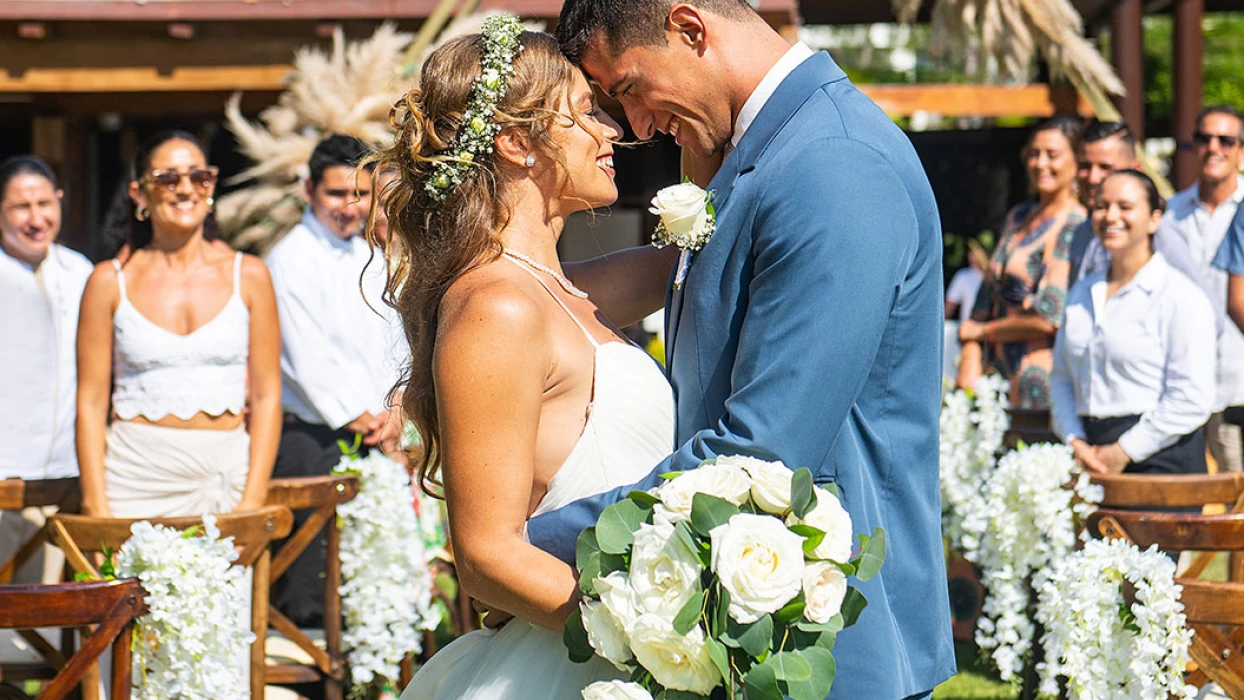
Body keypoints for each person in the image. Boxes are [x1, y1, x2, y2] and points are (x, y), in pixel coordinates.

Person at [527, 1, 954, 697]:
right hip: (758, 632)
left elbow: (763, 452)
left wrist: (523, 543)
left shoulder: (831, 166)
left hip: (834, 647)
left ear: (691, 28)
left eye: (631, 88)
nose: (636, 126)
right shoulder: (769, 152)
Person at [377, 18, 675, 698]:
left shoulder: (566, 292)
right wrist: (656, 640)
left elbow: (694, 263)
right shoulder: (496, 309)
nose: (612, 132)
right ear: (515, 143)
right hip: (580, 661)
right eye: (584, 115)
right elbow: (485, 556)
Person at [76, 130, 282, 518]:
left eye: (199, 177)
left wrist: (253, 498)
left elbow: (269, 395)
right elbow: (90, 401)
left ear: (211, 188)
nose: (185, 189)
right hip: (134, 478)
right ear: (139, 194)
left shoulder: (250, 275)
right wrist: (96, 503)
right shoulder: (107, 282)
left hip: (226, 479)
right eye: (168, 178)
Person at [263, 135, 408, 626]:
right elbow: (304, 357)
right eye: (336, 195)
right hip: (318, 439)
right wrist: (365, 416)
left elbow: (394, 342)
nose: (350, 207)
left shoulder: (370, 256)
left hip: (382, 435)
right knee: (311, 581)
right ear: (309, 190)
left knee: (373, 573)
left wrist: (399, 412)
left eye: (360, 195)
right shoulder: (289, 259)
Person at [1051, 170, 1215, 475]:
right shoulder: (1080, 292)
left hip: (1163, 458)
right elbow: (1061, 376)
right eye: (1101, 205)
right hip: (1089, 453)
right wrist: (1074, 439)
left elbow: (1192, 398)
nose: (1111, 216)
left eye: (1125, 207)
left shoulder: (1180, 297)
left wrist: (1125, 450)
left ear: (1155, 218)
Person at [0, 155, 92, 583]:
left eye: (44, 204)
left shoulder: (81, 273)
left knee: (50, 612)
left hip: (64, 471)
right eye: (21, 207)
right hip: (4, 471)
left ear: (60, 200)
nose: (36, 219)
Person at [957, 116, 1086, 410]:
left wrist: (982, 333)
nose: (1041, 163)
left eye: (1052, 155)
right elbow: (988, 291)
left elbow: (1050, 318)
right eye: (1034, 154)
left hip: (1038, 379)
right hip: (992, 376)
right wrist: (971, 350)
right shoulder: (1019, 216)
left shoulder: (1074, 224)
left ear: (1076, 160)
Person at [1156, 106, 1244, 473]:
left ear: (1241, 149)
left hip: (1237, 380)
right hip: (1180, 380)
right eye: (1204, 139)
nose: (1214, 147)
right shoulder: (1166, 215)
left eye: (1226, 140)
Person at [1067, 120, 1141, 288]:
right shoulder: (1081, 233)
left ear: (1135, 170)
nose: (1093, 178)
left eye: (1105, 167)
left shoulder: (1153, 233)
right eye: (1085, 166)